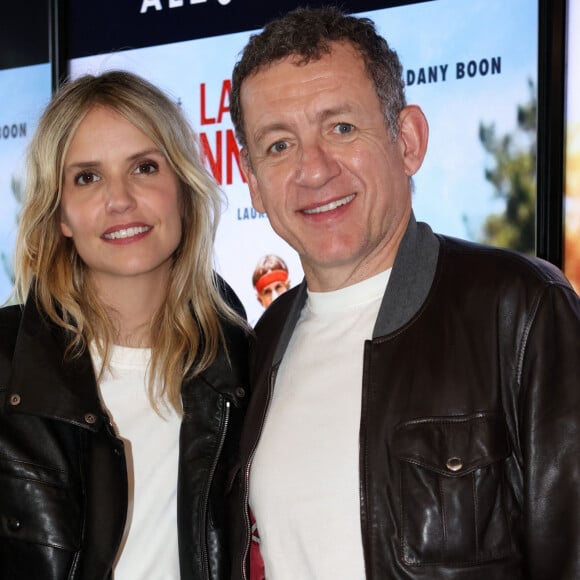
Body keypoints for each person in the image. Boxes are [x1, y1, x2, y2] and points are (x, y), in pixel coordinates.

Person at [228, 7, 580, 580]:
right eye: (278, 145)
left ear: (408, 139)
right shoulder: (260, 347)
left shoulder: (520, 311)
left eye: (341, 128)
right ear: (253, 183)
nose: (313, 171)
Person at [0, 70, 249, 580]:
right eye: (87, 177)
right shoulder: (5, 362)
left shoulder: (240, 362)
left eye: (144, 167)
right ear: (61, 214)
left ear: (181, 187)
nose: (120, 200)